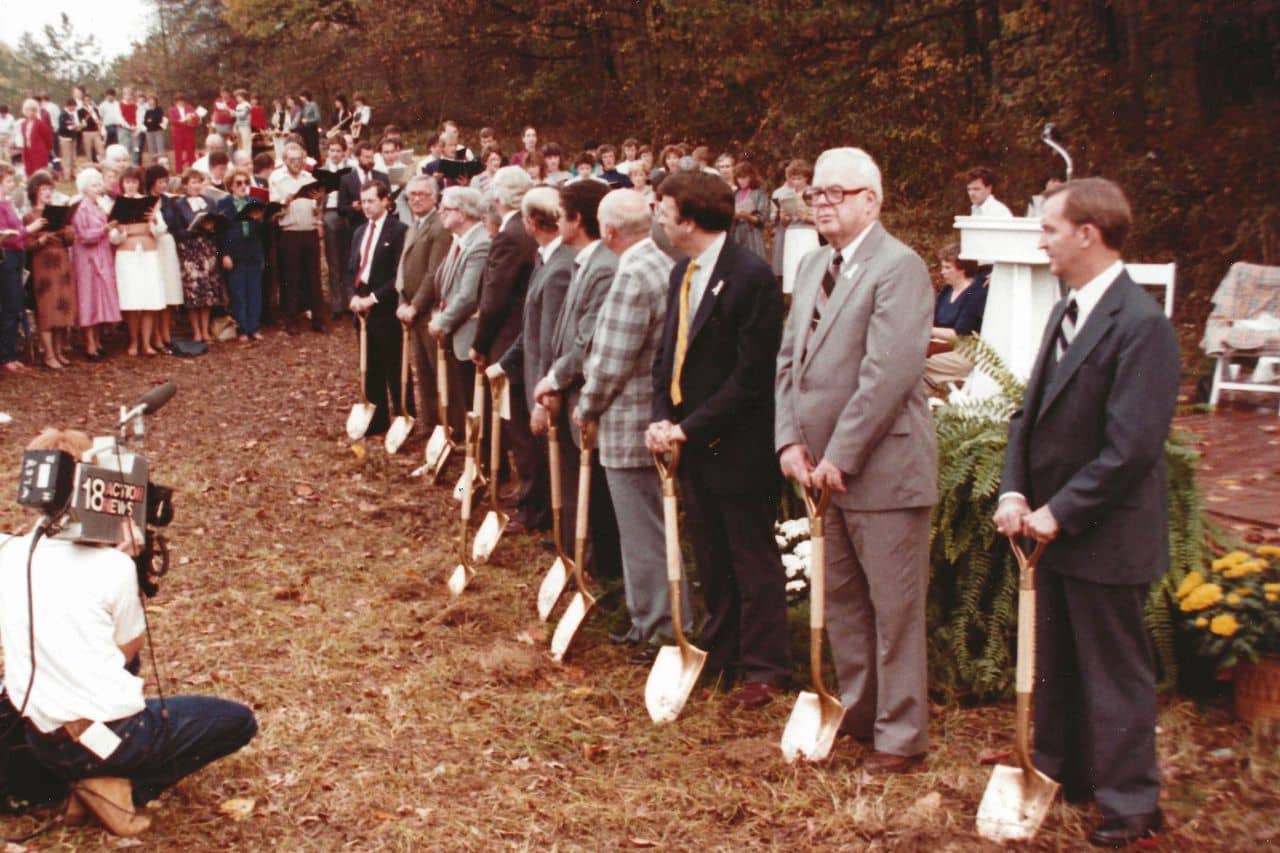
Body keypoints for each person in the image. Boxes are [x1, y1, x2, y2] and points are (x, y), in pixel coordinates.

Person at [993, 178, 1177, 848]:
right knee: (1059, 662)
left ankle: (1132, 802)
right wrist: (1014, 490)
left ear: (1087, 233)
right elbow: (1028, 415)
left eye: (1047, 228)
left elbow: (1131, 447)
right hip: (1052, 530)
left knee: (1115, 669)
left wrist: (1060, 510)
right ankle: (1062, 768)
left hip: (1108, 533)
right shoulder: (1065, 310)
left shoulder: (1141, 325)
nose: (1040, 240)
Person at [2, 427, 257, 836]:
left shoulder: (8, 552)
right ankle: (115, 788)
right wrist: (129, 569)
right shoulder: (112, 568)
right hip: (103, 737)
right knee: (237, 720)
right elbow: (126, 652)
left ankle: (85, 778)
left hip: (39, 735)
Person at [775, 147, 936, 769]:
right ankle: (861, 714)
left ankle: (901, 737)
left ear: (871, 199)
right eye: (815, 192)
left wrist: (839, 454)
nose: (820, 202)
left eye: (833, 193)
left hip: (883, 470)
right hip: (818, 469)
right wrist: (790, 441)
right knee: (841, 602)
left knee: (894, 611)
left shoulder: (901, 267)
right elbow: (789, 360)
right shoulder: (814, 263)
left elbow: (887, 374)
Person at [647, 170, 787, 707]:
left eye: (664, 207)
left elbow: (751, 378)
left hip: (737, 444)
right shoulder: (682, 270)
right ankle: (720, 651)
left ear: (689, 218)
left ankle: (765, 667)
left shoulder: (751, 276)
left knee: (751, 556)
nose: (657, 214)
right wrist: (662, 416)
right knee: (709, 552)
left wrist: (689, 426)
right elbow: (670, 354)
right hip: (688, 441)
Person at [576, 189, 685, 650]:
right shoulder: (662, 262)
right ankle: (653, 618)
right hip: (654, 417)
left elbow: (611, 359)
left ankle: (659, 626)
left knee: (642, 532)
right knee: (654, 529)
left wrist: (587, 407)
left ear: (608, 231)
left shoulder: (632, 273)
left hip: (629, 422)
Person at [532, 180, 623, 581]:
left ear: (577, 219)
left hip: (590, 398)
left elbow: (587, 343)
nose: (556, 220)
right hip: (569, 395)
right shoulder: (584, 260)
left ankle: (604, 577)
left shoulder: (602, 267)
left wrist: (553, 377)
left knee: (598, 497)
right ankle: (587, 562)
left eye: (562, 212)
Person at [490, 186, 575, 545]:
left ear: (530, 222)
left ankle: (562, 532)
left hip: (545, 384)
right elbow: (530, 328)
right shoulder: (544, 259)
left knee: (555, 461)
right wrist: (504, 364)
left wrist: (544, 394)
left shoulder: (559, 269)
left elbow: (552, 341)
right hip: (528, 375)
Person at [470, 166, 541, 532]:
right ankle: (530, 494)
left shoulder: (510, 236)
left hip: (508, 340)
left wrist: (480, 344)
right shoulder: (521, 232)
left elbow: (494, 298)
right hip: (519, 338)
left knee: (520, 430)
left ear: (499, 198)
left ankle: (532, 506)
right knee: (519, 427)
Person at [428, 186, 490, 440]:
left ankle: (484, 464)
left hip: (469, 334)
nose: (440, 212)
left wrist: (443, 321)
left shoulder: (480, 244)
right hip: (456, 332)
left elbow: (467, 296)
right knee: (464, 399)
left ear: (463, 213)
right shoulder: (459, 242)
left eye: (447, 208)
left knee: (476, 403)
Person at [348, 180, 410, 435]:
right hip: (360, 303)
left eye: (372, 200)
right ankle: (377, 416)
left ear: (386, 200)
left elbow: (399, 275)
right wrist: (352, 295)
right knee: (369, 363)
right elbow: (351, 267)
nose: (367, 206)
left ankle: (404, 414)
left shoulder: (399, 231)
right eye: (363, 201)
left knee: (393, 364)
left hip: (384, 306)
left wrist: (373, 298)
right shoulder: (360, 232)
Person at [394, 175, 454, 434]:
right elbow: (403, 270)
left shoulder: (439, 228)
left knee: (439, 370)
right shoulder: (412, 226)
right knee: (423, 372)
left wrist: (415, 305)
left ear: (435, 197)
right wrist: (401, 300)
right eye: (412, 194)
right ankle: (430, 423)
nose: (416, 199)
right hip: (412, 311)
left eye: (422, 194)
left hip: (429, 310)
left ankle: (450, 426)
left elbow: (434, 273)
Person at [110, 166, 167, 356]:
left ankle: (147, 342)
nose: (131, 185)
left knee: (149, 299)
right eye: (127, 182)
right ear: (122, 184)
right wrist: (119, 230)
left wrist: (154, 221)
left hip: (148, 254)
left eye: (134, 182)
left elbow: (161, 231)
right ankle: (133, 341)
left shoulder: (149, 203)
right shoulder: (117, 205)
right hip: (127, 256)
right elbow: (113, 238)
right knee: (132, 300)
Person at [269, 142, 325, 334]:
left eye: (300, 159)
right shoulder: (276, 178)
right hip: (289, 232)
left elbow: (316, 207)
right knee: (290, 278)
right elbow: (273, 210)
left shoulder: (309, 177)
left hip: (309, 229)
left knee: (314, 277)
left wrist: (318, 209)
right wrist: (286, 200)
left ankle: (318, 319)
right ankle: (290, 320)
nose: (296, 163)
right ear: (285, 160)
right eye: (292, 159)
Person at [23, 171, 76, 368]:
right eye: (43, 189)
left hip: (61, 261)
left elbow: (71, 240)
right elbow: (26, 244)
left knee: (63, 305)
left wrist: (67, 229)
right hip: (43, 264)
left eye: (49, 188)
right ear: (34, 191)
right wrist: (40, 239)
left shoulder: (57, 211)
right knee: (47, 307)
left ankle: (59, 350)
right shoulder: (30, 216)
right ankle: (48, 354)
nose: (47, 192)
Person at [71, 168, 121, 359]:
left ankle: (98, 340)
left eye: (100, 184)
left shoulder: (102, 206)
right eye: (94, 185)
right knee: (88, 298)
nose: (99, 188)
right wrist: (105, 229)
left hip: (103, 255)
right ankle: (89, 344)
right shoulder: (80, 208)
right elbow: (84, 236)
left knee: (101, 297)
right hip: (87, 259)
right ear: (84, 188)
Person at [923, 242, 986, 394]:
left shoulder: (974, 294)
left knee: (913, 364)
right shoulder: (947, 291)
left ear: (962, 269)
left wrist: (925, 329)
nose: (942, 272)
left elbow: (959, 335)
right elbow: (934, 321)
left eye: (947, 268)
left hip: (964, 354)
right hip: (939, 349)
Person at [172, 169, 227, 343]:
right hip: (189, 250)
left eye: (199, 182)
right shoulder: (179, 204)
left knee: (207, 292)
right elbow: (177, 230)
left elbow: (217, 225)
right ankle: (196, 330)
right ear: (186, 185)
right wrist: (193, 230)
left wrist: (211, 227)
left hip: (206, 249)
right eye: (192, 182)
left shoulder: (209, 202)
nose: (196, 186)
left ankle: (205, 330)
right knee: (193, 293)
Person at [0, 163, 42, 372]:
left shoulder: (7, 204)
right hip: (5, 258)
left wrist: (20, 233)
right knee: (9, 305)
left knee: (15, 305)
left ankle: (11, 353)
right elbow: (10, 234)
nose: (11, 185)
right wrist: (29, 230)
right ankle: (6, 356)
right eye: (8, 181)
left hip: (17, 256)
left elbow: (15, 230)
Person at [337, 141, 387, 315]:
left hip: (378, 229)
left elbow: (387, 201)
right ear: (357, 157)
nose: (369, 160)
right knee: (353, 267)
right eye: (366, 157)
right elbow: (340, 208)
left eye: (372, 157)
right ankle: (351, 301)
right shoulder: (346, 179)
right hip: (355, 229)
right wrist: (353, 208)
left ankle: (373, 300)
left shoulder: (381, 176)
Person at [217, 171, 267, 340]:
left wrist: (261, 221)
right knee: (238, 292)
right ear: (231, 185)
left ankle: (254, 327)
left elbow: (263, 234)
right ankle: (242, 329)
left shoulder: (255, 203)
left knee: (255, 291)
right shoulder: (224, 204)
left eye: (246, 182)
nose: (243, 186)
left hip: (252, 251)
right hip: (234, 253)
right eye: (238, 183)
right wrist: (224, 254)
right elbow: (219, 233)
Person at [145, 165, 183, 351]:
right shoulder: (146, 201)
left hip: (168, 245)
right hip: (154, 246)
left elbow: (174, 223)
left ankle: (166, 331)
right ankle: (156, 334)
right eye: (160, 182)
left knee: (169, 289)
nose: (163, 185)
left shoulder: (169, 201)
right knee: (157, 289)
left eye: (165, 181)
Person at [729, 161, 769, 261]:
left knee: (754, 261)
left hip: (752, 233)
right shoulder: (735, 194)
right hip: (737, 233)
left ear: (751, 177)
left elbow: (762, 217)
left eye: (744, 177)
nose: (741, 181)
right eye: (739, 178)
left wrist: (747, 216)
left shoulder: (759, 192)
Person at [17, 99, 54, 178]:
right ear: (24, 111)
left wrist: (46, 150)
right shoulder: (23, 124)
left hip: (39, 152)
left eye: (33, 110)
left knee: (39, 172)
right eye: (28, 110)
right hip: (27, 151)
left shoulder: (40, 124)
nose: (31, 112)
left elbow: (48, 138)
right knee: (29, 171)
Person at [168, 94, 199, 174]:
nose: (180, 103)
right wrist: (181, 121)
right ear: (175, 102)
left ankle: (192, 170)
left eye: (182, 101)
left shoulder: (189, 108)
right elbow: (172, 121)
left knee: (190, 152)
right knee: (178, 153)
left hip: (188, 132)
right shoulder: (172, 109)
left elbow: (196, 118)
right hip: (178, 133)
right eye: (178, 101)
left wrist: (192, 118)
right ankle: (179, 171)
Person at [297, 91, 322, 161]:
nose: (300, 98)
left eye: (301, 97)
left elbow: (318, 118)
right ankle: (310, 162)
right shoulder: (304, 106)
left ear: (305, 97)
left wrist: (308, 120)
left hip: (312, 129)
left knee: (314, 147)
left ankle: (317, 163)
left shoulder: (313, 105)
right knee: (308, 147)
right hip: (306, 130)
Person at [143, 94, 166, 164]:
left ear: (155, 101)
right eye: (149, 100)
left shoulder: (159, 109)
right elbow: (145, 122)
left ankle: (162, 166)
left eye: (152, 100)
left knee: (160, 150)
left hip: (158, 131)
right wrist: (150, 121)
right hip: (149, 132)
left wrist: (151, 120)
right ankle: (154, 166)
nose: (151, 102)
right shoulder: (147, 111)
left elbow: (159, 119)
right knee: (152, 151)